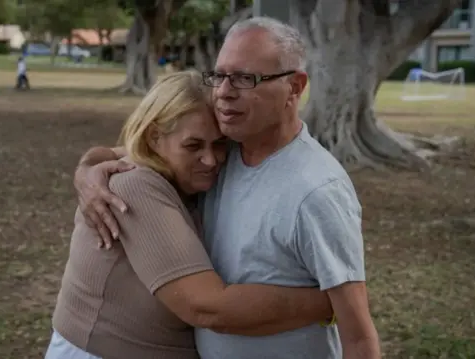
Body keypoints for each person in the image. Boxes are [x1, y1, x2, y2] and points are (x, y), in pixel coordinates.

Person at [74, 17, 380, 359]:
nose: (223, 91)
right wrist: (88, 171)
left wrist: (336, 303)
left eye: (244, 78)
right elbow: (136, 152)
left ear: (295, 87)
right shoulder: (222, 152)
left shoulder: (316, 191)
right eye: (219, 75)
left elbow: (359, 339)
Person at [45, 71, 334, 359]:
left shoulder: (187, 173)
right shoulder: (134, 184)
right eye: (193, 146)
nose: (210, 160)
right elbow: (207, 306)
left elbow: (115, 150)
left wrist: (88, 164)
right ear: (155, 137)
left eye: (220, 144)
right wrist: (332, 301)